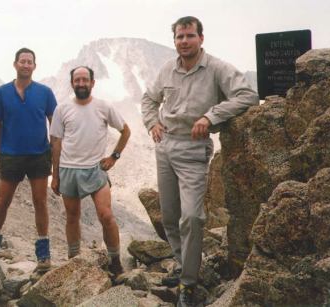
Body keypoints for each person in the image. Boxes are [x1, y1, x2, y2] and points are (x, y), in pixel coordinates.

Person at [141, 16, 259, 306]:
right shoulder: (168, 68)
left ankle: (188, 285)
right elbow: (148, 99)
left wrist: (211, 116)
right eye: (179, 37)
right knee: (169, 216)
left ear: (201, 38)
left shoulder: (217, 68)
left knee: (192, 217)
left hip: (194, 150)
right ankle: (182, 266)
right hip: (165, 147)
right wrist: (151, 123)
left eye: (189, 36)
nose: (184, 41)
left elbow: (248, 95)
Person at [49, 66, 131, 277]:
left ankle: (115, 261)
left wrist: (114, 156)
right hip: (69, 169)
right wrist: (55, 174)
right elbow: (56, 141)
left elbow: (125, 130)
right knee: (72, 216)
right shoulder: (62, 109)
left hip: (96, 169)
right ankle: (74, 260)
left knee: (106, 215)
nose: (81, 83)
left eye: (85, 80)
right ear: (72, 83)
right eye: (77, 80)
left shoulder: (103, 106)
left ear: (93, 83)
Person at [0, 47, 57, 272]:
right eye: (22, 61)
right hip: (11, 155)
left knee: (40, 202)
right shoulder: (1, 93)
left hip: (38, 155)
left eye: (30, 62)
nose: (26, 65)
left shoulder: (45, 92)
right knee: (2, 202)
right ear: (15, 64)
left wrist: (54, 156)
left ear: (34, 66)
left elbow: (54, 123)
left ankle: (43, 256)